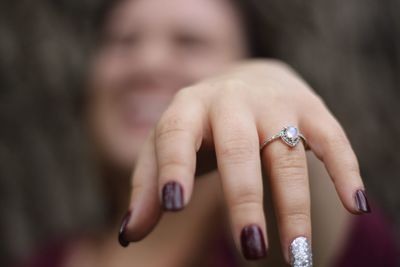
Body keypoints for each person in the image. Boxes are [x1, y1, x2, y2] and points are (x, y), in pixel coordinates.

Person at [15, 0, 398, 266]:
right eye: (124, 41)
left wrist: (264, 78)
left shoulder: (262, 243)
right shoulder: (43, 260)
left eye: (190, 41)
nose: (148, 62)